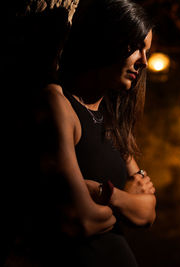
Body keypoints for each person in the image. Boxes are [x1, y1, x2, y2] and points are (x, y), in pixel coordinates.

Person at [32, 0, 156, 266]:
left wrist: (105, 194)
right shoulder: (60, 105)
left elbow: (147, 213)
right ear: (109, 38)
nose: (144, 62)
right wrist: (125, 202)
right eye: (136, 48)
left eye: (146, 52)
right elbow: (80, 219)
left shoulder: (111, 123)